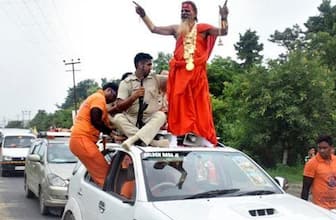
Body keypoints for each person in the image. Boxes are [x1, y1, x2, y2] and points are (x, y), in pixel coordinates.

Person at [133, 1, 229, 146]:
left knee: (199, 105)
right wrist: (144, 15)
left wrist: (224, 17)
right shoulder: (176, 29)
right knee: (178, 104)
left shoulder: (203, 28)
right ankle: (180, 133)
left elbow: (223, 32)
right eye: (182, 10)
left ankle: (197, 134)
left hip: (196, 76)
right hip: (179, 75)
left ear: (195, 14)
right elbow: (154, 29)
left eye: (187, 10)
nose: (184, 12)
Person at [112, 53, 169, 149]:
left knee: (161, 116)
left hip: (149, 120)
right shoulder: (126, 83)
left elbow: (174, 79)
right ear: (140, 65)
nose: (151, 68)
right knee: (118, 118)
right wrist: (133, 97)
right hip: (132, 120)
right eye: (149, 65)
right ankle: (153, 143)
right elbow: (119, 106)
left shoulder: (155, 79)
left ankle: (133, 139)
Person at [69, 82, 121, 187]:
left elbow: (103, 122)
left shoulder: (95, 98)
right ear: (109, 91)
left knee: (103, 174)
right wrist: (111, 134)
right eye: (114, 96)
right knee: (106, 177)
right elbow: (95, 119)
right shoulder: (99, 98)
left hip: (81, 140)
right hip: (82, 139)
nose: (114, 100)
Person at [300, 135, 336, 209]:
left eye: (325, 148)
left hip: (334, 207)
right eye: (319, 148)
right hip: (318, 207)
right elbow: (305, 188)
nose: (322, 150)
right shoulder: (312, 163)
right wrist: (303, 207)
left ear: (331, 148)